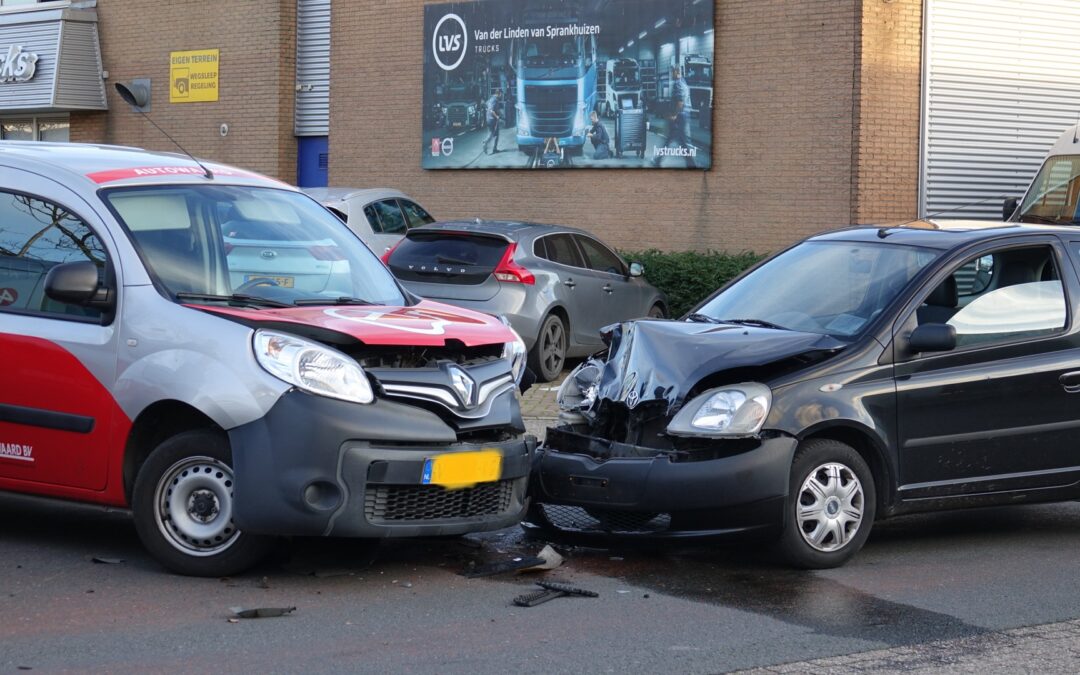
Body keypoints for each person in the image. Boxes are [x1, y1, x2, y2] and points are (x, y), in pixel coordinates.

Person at [653, 66, 694, 168]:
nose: (672, 74)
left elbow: (680, 102)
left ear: (677, 72)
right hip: (683, 115)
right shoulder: (684, 82)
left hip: (679, 117)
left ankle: (658, 160)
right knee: (677, 141)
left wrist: (674, 115)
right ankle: (658, 160)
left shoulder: (678, 84)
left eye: (673, 72)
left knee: (675, 140)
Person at [483, 89, 503, 155]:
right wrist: (497, 116)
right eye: (501, 94)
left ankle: (488, 143)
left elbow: (486, 105)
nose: (502, 96)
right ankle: (491, 146)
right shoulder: (495, 100)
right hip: (493, 119)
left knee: (491, 133)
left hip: (489, 119)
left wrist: (499, 113)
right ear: (499, 93)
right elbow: (492, 110)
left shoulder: (491, 99)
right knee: (495, 134)